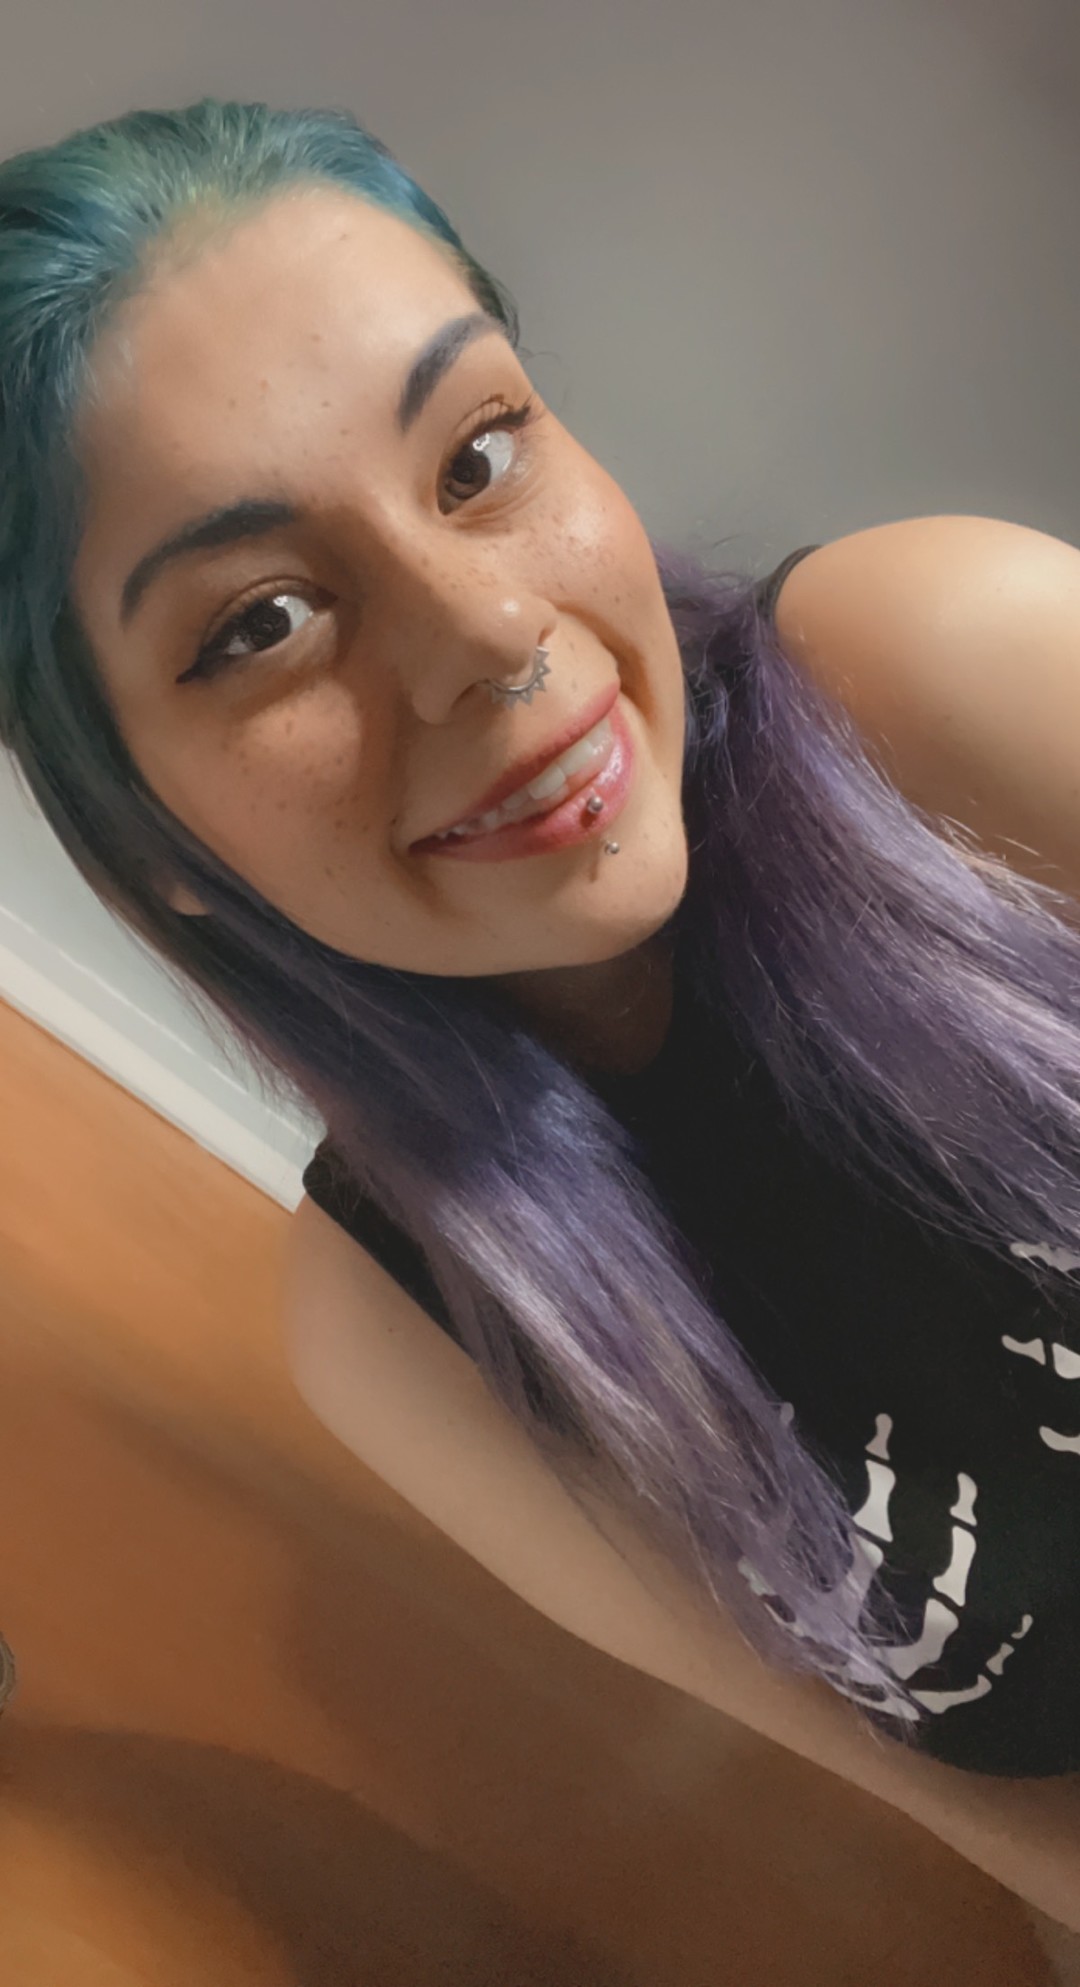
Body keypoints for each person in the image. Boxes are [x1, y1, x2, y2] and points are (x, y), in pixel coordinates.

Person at [1, 97, 1080, 1933]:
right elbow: (993, 1824)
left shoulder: (946, 678)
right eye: (260, 622)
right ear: (147, 838)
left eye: (478, 455)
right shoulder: (412, 1331)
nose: (491, 637)